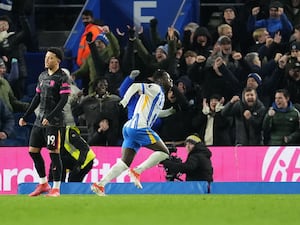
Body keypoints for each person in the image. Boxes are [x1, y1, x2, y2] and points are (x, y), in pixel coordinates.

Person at [91, 69, 173, 196]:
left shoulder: (158, 95)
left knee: (125, 162)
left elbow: (156, 113)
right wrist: (124, 102)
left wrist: (171, 112)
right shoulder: (155, 88)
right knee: (164, 152)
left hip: (129, 128)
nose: (171, 81)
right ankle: (138, 171)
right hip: (139, 127)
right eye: (168, 78)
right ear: (161, 80)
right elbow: (135, 86)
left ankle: (100, 184)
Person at [18, 47, 71, 197]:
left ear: (58, 60)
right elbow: (36, 98)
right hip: (39, 121)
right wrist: (25, 115)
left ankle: (56, 188)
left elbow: (63, 100)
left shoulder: (62, 78)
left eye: (50, 58)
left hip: (55, 123)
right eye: (46, 57)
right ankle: (43, 183)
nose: (46, 60)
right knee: (33, 151)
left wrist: (51, 116)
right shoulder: (42, 76)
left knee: (54, 154)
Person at [48, 68, 96, 182]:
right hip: (67, 158)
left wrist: (78, 165)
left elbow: (84, 149)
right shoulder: (51, 132)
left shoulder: (69, 132)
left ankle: (69, 190)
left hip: (85, 160)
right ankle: (55, 189)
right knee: (56, 172)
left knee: (73, 181)